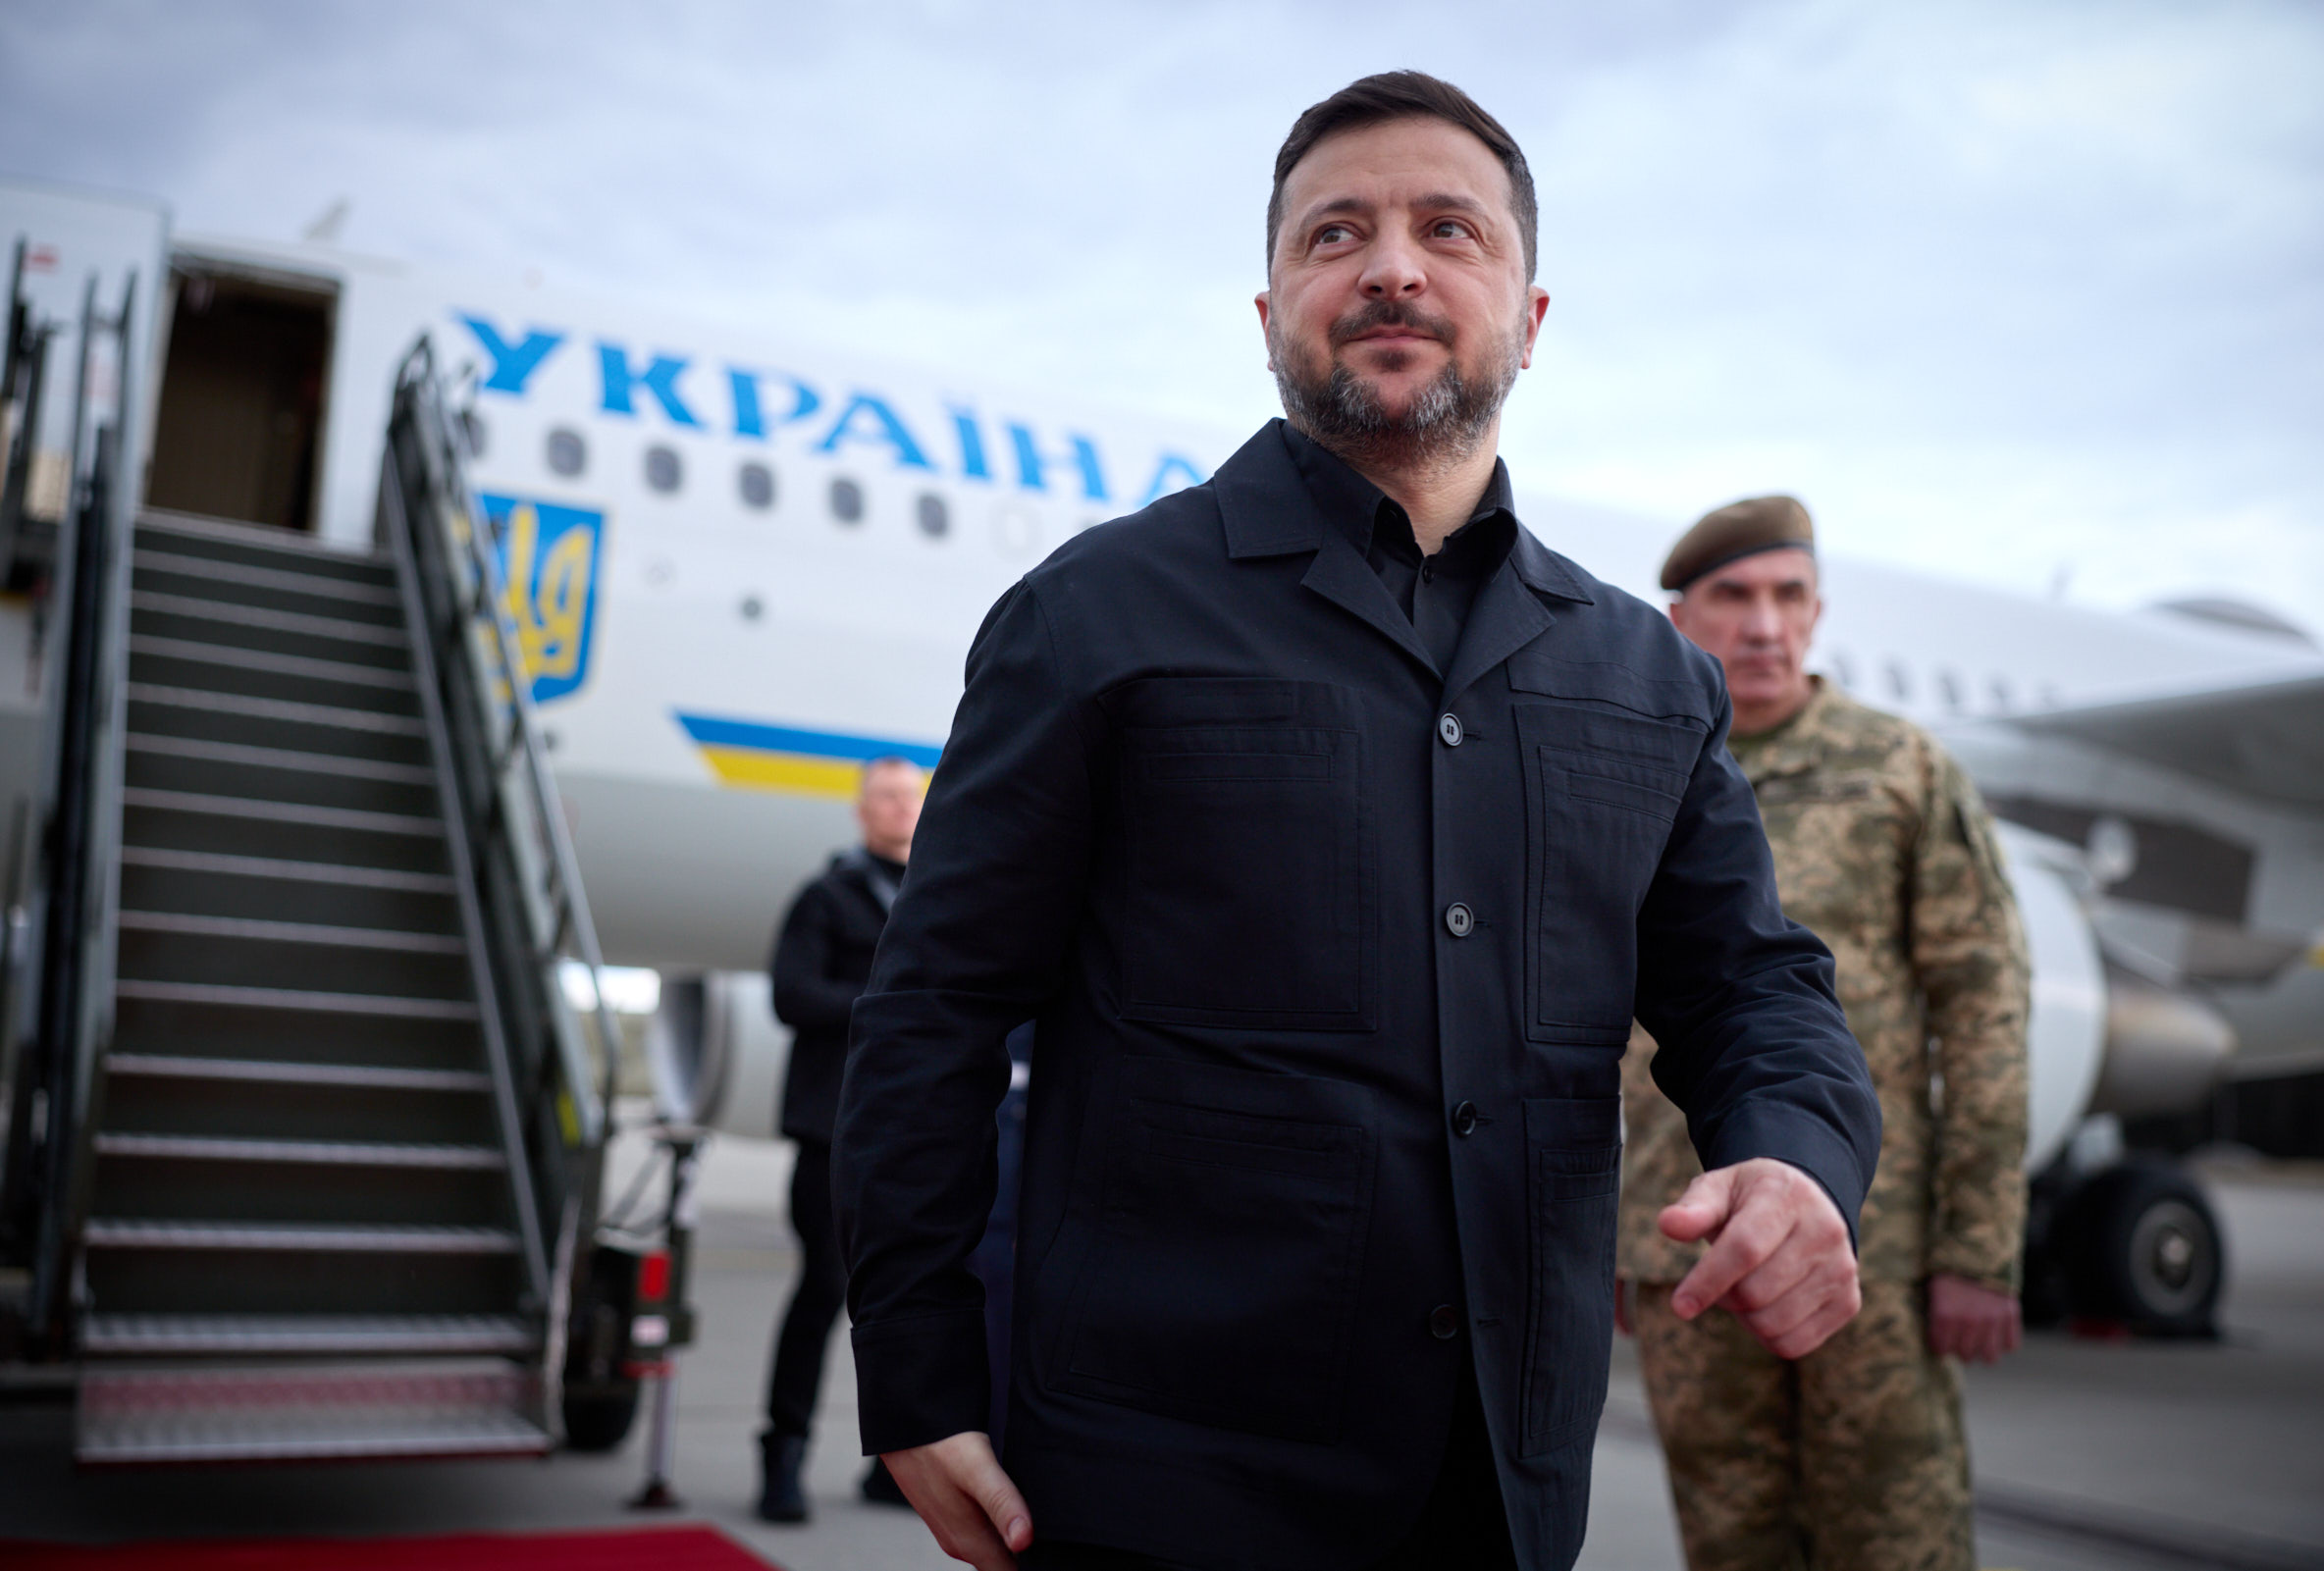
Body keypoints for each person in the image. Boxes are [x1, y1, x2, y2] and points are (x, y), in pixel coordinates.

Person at [833, 72, 1885, 1571]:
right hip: (1161, 1488)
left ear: (1530, 317)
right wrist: (917, 1367)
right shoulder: (1094, 615)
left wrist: (1794, 1153)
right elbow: (933, 1006)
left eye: (1450, 229)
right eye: (1337, 233)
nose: (1393, 266)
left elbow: (1752, 986)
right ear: (1272, 313)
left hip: (1501, 1487)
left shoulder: (1648, 677)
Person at [1616, 496, 2032, 1571]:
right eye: (1734, 596)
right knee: (1729, 1541)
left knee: (1896, 1541)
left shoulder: (1899, 768)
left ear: (1817, 613)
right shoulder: (1637, 771)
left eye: (1788, 596)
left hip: (1868, 1247)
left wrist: (1977, 1248)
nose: (1764, 625)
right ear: (1679, 620)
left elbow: (1983, 1009)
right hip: (1682, 1245)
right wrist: (1613, 1234)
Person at [756, 755, 926, 1523]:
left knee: (907, 1299)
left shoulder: (935, 897)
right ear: (861, 810)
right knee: (825, 1285)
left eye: (911, 796)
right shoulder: (826, 896)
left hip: (912, 1134)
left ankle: (895, 1465)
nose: (900, 807)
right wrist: (886, 1002)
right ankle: (783, 1453)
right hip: (832, 1132)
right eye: (886, 796)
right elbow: (791, 995)